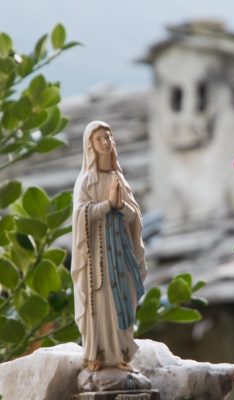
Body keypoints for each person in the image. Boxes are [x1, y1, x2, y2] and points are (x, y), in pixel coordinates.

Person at [71, 121, 147, 372]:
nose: (106, 142)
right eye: (99, 138)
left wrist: (121, 206)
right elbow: (80, 215)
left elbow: (134, 217)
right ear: (90, 146)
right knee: (100, 304)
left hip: (121, 252)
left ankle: (121, 352)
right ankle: (96, 353)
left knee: (121, 299)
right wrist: (107, 205)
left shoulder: (118, 178)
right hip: (98, 258)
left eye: (108, 137)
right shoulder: (86, 181)